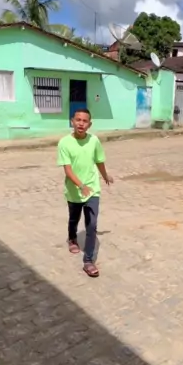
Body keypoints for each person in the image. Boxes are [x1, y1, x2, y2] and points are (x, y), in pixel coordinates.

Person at [57, 108, 113, 277]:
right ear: (72, 121)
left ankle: (88, 261)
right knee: (74, 218)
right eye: (78, 120)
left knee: (92, 225)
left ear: (90, 124)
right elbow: (68, 170)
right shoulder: (64, 143)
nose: (81, 124)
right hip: (74, 190)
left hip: (92, 189)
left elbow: (99, 160)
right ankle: (72, 238)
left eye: (85, 121)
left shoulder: (94, 140)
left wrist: (105, 176)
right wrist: (81, 186)